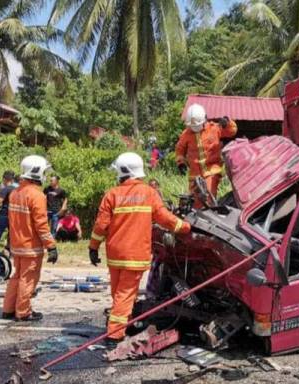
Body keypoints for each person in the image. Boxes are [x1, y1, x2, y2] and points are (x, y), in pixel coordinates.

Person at [88, 152, 191, 343]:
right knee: (125, 294)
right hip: (135, 254)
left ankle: (123, 321)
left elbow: (100, 226)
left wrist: (93, 247)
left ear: (121, 172)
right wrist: (185, 227)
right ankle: (115, 333)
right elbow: (165, 218)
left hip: (115, 254)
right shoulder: (148, 193)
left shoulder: (112, 194)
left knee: (118, 292)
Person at [2, 155, 58, 322]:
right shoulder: (37, 195)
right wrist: (51, 246)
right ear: (37, 172)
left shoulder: (15, 193)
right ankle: (23, 311)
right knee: (28, 279)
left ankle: (8, 309)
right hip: (31, 246)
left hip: (17, 245)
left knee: (16, 277)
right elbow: (41, 225)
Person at [175, 104, 237, 207]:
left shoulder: (215, 128)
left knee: (208, 196)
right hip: (195, 175)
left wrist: (227, 123)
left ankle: (210, 217)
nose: (194, 128)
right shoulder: (186, 134)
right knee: (194, 202)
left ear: (205, 120)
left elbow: (232, 132)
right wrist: (180, 162)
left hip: (212, 170)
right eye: (192, 126)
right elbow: (179, 149)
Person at [0, 170, 16, 248]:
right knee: (11, 234)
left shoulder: (5, 189)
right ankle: (9, 250)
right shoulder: (16, 189)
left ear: (4, 179)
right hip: (13, 214)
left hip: (4, 213)